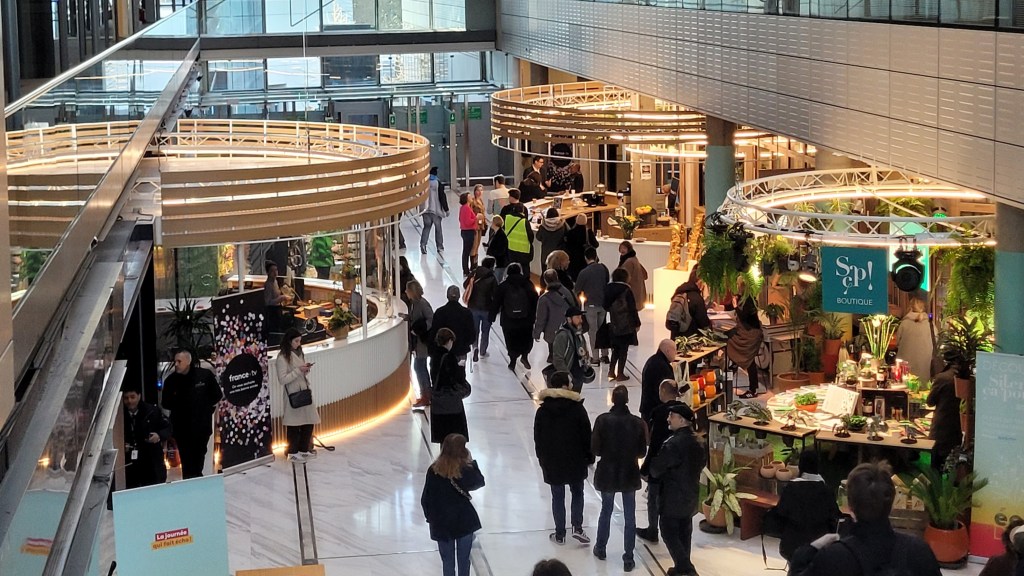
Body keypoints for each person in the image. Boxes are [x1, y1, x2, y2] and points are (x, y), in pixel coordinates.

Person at [788, 462, 940, 576]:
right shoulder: (919, 551)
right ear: (892, 504)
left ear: (850, 507)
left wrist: (810, 549)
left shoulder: (833, 558)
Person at [591, 385, 648, 572]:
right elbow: (641, 452)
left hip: (607, 472)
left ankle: (600, 547)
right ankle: (628, 557)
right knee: (630, 516)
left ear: (613, 400)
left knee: (605, 511)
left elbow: (596, 449)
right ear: (628, 400)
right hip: (629, 473)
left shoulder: (602, 421)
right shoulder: (637, 423)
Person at [534, 371, 593, 546]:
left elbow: (538, 438)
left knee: (557, 496)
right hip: (575, 459)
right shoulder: (577, 408)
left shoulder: (543, 411)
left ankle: (560, 533)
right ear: (566, 386)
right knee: (577, 492)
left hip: (552, 461)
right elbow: (586, 435)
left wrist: (541, 459)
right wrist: (589, 456)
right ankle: (577, 527)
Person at [650, 404, 706, 576]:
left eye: (671, 416)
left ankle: (686, 569)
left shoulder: (673, 444)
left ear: (681, 420)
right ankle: (682, 567)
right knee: (684, 532)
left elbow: (657, 469)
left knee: (668, 532)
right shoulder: (699, 441)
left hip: (673, 497)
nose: (668, 419)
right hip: (690, 494)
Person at [420, 433, 485, 576]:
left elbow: (426, 498)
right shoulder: (464, 470)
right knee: (464, 560)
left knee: (447, 562)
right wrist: (472, 463)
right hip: (464, 521)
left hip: (441, 523)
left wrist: (431, 518)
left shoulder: (434, 470)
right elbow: (479, 481)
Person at [769, 451, 842, 560]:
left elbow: (781, 512)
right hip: (819, 546)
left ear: (800, 466)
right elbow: (835, 515)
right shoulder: (826, 490)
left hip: (792, 546)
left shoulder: (791, 488)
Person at [161, 349, 223, 479]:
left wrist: (205, 409)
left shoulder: (204, 376)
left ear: (188, 362)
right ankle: (190, 483)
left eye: (179, 361)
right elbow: (166, 403)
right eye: (175, 361)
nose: (176, 364)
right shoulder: (171, 381)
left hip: (201, 427)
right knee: (187, 460)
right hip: (182, 429)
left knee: (199, 458)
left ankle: (198, 481)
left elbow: (216, 395)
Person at [637, 379, 683, 544]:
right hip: (678, 465)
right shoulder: (685, 411)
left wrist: (646, 467)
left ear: (663, 392)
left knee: (654, 498)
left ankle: (652, 529)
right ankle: (674, 530)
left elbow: (655, 443)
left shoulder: (658, 412)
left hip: (660, 463)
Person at [276, 327, 321, 462]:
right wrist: (298, 371)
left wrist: (305, 370)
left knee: (309, 421)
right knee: (294, 425)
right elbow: (282, 379)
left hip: (304, 391)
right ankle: (293, 451)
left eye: (300, 341)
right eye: (296, 341)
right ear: (289, 341)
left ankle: (304, 449)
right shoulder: (282, 357)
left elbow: (300, 371)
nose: (298, 344)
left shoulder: (299, 352)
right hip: (293, 394)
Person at [490, 263, 538, 371]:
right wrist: (535, 316)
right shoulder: (528, 284)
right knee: (526, 338)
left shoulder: (503, 286)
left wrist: (491, 316)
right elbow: (535, 300)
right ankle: (525, 356)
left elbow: (496, 302)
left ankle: (512, 361)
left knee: (511, 340)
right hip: (526, 320)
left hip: (509, 320)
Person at [122, 388, 171, 489]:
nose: (129, 401)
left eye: (132, 397)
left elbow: (168, 428)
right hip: (130, 465)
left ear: (139, 396)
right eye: (126, 398)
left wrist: (158, 436)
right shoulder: (120, 415)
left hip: (151, 461)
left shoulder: (152, 411)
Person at [430, 328, 471, 444]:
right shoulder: (449, 357)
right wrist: (461, 369)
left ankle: (445, 460)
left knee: (444, 440)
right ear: (449, 341)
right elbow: (454, 379)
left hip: (438, 402)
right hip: (451, 404)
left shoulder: (435, 356)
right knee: (454, 438)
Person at [729, 278, 764, 399]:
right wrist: (718, 307)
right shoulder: (740, 297)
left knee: (748, 359)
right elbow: (730, 306)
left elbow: (743, 316)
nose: (737, 287)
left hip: (751, 335)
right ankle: (730, 374)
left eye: (738, 285)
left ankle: (752, 389)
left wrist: (735, 307)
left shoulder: (749, 300)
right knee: (730, 343)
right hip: (744, 332)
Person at [534, 269, 580, 363]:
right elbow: (576, 306)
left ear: (545, 281)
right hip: (567, 328)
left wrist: (536, 333)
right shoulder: (568, 292)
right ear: (557, 277)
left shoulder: (544, 299)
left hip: (551, 332)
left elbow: (541, 318)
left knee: (554, 355)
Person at [604, 268, 641, 382]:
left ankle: (611, 371)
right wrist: (637, 323)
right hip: (626, 323)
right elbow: (632, 308)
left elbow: (605, 306)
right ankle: (620, 373)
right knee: (623, 349)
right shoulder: (626, 290)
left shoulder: (608, 288)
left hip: (614, 323)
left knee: (615, 349)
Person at [574, 246, 609, 364]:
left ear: (585, 258)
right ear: (596, 256)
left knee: (593, 331)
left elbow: (577, 290)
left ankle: (595, 358)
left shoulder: (583, 272)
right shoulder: (603, 268)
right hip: (603, 304)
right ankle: (605, 355)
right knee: (602, 329)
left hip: (591, 306)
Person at [927, 359, 962, 470]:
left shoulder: (942, 378)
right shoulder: (968, 379)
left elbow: (930, 401)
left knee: (936, 467)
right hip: (959, 429)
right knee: (953, 466)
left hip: (941, 428)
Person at [405, 280, 434, 409]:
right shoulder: (414, 303)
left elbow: (431, 319)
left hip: (423, 342)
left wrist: (419, 330)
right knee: (420, 367)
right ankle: (426, 394)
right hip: (418, 342)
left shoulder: (422, 304)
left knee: (419, 367)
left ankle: (426, 396)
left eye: (407, 290)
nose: (406, 292)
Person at [431, 285, 476, 365]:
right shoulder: (466, 313)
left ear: (447, 296)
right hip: (461, 350)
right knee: (459, 374)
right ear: (459, 296)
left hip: (443, 351)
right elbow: (472, 334)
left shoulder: (440, 312)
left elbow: (434, 332)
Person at [465, 257, 498, 362]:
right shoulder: (492, 277)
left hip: (473, 306)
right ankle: (483, 352)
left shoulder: (474, 273)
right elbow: (495, 294)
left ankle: (475, 347)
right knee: (485, 331)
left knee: (475, 329)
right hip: (486, 308)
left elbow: (465, 284)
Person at [895, 295, 934, 380]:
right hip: (925, 364)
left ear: (910, 307)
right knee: (923, 386)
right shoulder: (931, 325)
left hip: (906, 366)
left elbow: (897, 342)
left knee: (907, 386)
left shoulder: (904, 324)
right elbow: (936, 342)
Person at [640, 339, 678, 421]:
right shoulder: (661, 366)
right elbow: (667, 390)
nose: (676, 353)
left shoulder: (653, 360)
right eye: (675, 350)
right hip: (654, 412)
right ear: (668, 351)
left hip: (648, 409)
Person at [552, 307, 589, 392]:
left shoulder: (579, 333)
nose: (581, 320)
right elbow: (558, 358)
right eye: (577, 317)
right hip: (568, 379)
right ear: (569, 319)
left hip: (578, 375)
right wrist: (566, 377)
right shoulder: (562, 335)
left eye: (581, 317)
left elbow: (583, 350)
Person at [500, 189, 535, 273]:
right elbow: (530, 236)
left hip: (510, 246)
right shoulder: (524, 210)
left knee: (511, 268)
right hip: (524, 248)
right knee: (525, 269)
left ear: (512, 197)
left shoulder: (506, 211)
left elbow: (502, 225)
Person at [672, 268, 711, 338]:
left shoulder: (679, 291)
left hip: (676, 337)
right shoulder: (696, 298)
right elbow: (704, 322)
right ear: (700, 282)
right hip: (690, 339)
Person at [420, 166, 449, 254]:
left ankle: (423, 244)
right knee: (438, 229)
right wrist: (446, 209)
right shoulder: (438, 183)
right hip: (436, 210)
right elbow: (442, 197)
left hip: (426, 210)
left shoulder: (424, 184)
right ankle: (439, 247)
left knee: (426, 227)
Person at [564, 213, 598, 280]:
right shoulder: (588, 232)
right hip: (585, 261)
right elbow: (596, 244)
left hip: (573, 261)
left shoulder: (570, 233)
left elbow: (567, 246)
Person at [263, 260, 291, 337]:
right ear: (268, 272)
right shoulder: (268, 285)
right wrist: (282, 297)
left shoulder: (275, 281)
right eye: (272, 271)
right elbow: (267, 302)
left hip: (278, 309)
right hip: (272, 312)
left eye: (276, 270)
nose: (275, 273)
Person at [618, 241, 648, 311]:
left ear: (629, 249)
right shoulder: (634, 259)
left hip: (631, 295)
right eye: (621, 248)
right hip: (637, 295)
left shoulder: (628, 262)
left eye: (624, 248)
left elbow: (623, 279)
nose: (622, 250)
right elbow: (645, 275)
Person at [484, 215, 509, 284]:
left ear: (495, 223)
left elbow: (500, 251)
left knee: (497, 282)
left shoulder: (501, 236)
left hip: (500, 264)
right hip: (496, 263)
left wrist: (489, 251)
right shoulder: (495, 233)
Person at [458, 192, 477, 276]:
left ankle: (466, 269)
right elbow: (468, 221)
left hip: (464, 231)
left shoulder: (463, 208)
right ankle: (466, 270)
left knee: (466, 251)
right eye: (469, 197)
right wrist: (476, 218)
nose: (471, 198)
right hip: (468, 231)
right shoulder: (467, 208)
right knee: (466, 251)